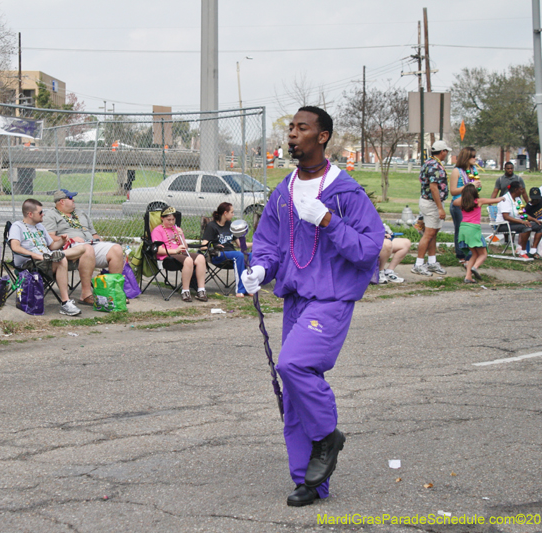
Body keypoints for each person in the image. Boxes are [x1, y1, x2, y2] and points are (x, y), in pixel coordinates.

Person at [242, 107, 383, 507]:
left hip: (332, 298)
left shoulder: (346, 193)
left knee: (293, 365)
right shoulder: (282, 192)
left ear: (322, 137)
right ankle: (310, 483)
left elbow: (368, 250)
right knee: (294, 396)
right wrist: (259, 268)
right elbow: (267, 244)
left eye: (301, 128)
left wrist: (328, 221)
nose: (292, 134)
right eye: (291, 128)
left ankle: (326, 437)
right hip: (295, 299)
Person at [8, 198, 85, 316]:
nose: (43, 214)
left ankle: (58, 255)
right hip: (31, 262)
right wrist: (38, 256)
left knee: (83, 248)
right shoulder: (17, 226)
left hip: (48, 258)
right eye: (40, 212)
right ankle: (65, 303)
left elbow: (52, 246)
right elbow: (15, 247)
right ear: (30, 214)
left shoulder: (40, 227)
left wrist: (62, 241)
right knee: (61, 260)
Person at [43, 189, 119, 306]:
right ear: (62, 201)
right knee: (87, 249)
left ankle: (114, 293)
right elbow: (50, 237)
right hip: (70, 247)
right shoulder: (51, 215)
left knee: (116, 249)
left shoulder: (81, 213)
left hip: (90, 242)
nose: (73, 200)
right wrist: (71, 239)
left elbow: (94, 234)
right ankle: (86, 294)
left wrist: (101, 243)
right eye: (71, 198)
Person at [152, 206, 208, 302]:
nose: (171, 222)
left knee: (201, 258)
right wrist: (175, 251)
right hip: (167, 257)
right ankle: (185, 291)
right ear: (162, 218)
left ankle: (201, 290)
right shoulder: (157, 230)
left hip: (180, 254)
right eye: (168, 220)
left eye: (173, 219)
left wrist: (181, 235)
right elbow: (158, 250)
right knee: (188, 260)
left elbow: (185, 247)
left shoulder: (176, 229)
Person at [412, 140, 450, 277]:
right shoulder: (435, 166)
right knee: (428, 234)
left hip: (430, 201)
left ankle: (432, 261)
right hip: (432, 203)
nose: (447, 154)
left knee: (433, 233)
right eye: (446, 151)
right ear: (442, 151)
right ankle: (418, 264)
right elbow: (434, 187)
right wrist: (440, 208)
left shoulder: (428, 163)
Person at [452, 184, 503, 283]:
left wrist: (465, 195)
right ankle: (475, 267)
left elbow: (454, 202)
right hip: (474, 229)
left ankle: (468, 277)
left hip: (463, 228)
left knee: (474, 254)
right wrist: (502, 198)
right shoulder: (478, 201)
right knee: (483, 254)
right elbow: (495, 200)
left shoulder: (461, 202)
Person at [201, 202, 247, 297]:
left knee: (251, 256)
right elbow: (202, 246)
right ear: (225, 213)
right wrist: (214, 247)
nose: (233, 214)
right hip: (219, 255)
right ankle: (240, 290)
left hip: (232, 254)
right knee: (240, 255)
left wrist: (258, 244)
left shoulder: (230, 225)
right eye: (232, 212)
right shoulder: (212, 226)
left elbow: (240, 245)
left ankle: (248, 287)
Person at [448, 147, 482, 264]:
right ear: (466, 157)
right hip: (459, 204)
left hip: (471, 204)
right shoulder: (456, 171)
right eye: (473, 156)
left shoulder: (473, 170)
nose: (475, 159)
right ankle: (461, 255)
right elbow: (453, 191)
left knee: (471, 230)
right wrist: (469, 186)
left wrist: (477, 186)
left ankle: (470, 255)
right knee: (460, 230)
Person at [494, 183, 542, 259]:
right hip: (503, 225)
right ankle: (522, 252)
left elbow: (523, 214)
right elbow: (506, 217)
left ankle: (533, 251)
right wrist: (522, 222)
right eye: (521, 189)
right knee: (526, 227)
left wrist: (534, 220)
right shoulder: (505, 199)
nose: (522, 191)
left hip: (515, 223)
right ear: (516, 190)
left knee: (541, 226)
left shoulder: (518, 199)